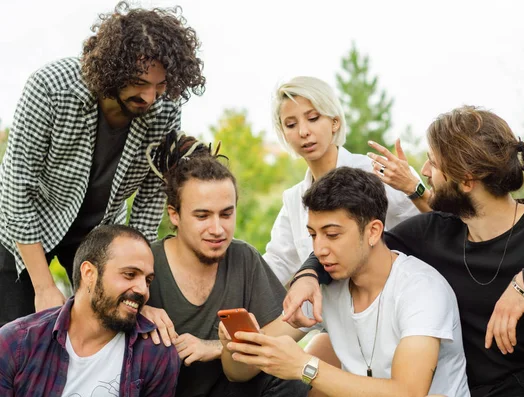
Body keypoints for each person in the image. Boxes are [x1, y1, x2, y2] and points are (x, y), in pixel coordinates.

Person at [284, 106, 524, 397]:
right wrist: (308, 274)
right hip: (462, 391)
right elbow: (357, 244)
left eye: (433, 163)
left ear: (466, 180)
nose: (423, 171)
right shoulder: (433, 231)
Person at [0, 1, 206, 327]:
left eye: (161, 85)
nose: (151, 97)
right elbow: (16, 185)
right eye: (140, 83)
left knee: (99, 328)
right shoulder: (50, 89)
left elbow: (149, 201)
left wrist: (135, 282)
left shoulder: (164, 110)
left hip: (98, 232)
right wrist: (43, 286)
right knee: (16, 333)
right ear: (114, 71)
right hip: (23, 227)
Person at [221, 167, 470, 397]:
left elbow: (408, 392)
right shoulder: (325, 290)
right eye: (312, 235)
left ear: (373, 231)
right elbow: (240, 372)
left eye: (332, 235)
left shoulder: (421, 289)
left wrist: (304, 366)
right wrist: (233, 345)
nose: (319, 249)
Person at [140, 142, 308, 397]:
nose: (217, 229)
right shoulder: (144, 262)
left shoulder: (244, 258)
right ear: (174, 215)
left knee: (287, 380)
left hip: (231, 388)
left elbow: (281, 330)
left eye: (226, 214)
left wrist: (218, 346)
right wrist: (137, 310)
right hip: (161, 391)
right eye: (203, 216)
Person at [263, 76, 426, 285]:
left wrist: (416, 188)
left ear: (334, 122)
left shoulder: (376, 172)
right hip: (326, 314)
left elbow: (428, 227)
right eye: (291, 124)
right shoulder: (294, 199)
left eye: (313, 118)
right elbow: (278, 262)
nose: (303, 132)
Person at [0, 224, 180, 396]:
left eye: (148, 280)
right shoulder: (16, 343)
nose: (143, 289)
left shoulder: (155, 353)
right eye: (130, 275)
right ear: (89, 273)